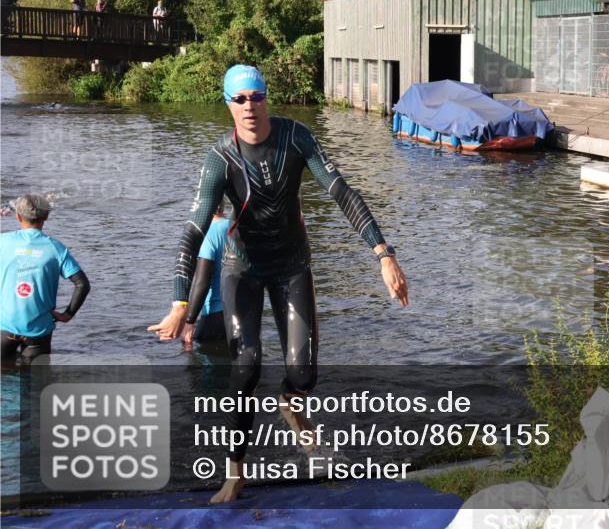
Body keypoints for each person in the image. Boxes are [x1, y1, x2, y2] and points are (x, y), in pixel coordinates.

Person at [148, 64, 408, 503]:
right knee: (246, 367)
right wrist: (179, 304)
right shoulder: (220, 158)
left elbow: (341, 191)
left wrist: (384, 254)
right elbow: (193, 231)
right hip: (242, 270)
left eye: (257, 96)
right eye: (240, 99)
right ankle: (235, 472)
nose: (249, 106)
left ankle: (291, 403)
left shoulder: (295, 137)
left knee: (303, 375)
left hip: (291, 266)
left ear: (267, 98)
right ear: (229, 104)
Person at [1, 195, 90, 366]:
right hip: (39, 330)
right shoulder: (56, 248)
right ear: (46, 216)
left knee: (3, 375)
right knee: (36, 379)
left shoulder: (2, 242)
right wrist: (67, 315)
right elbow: (82, 284)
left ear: (18, 216)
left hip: (4, 327)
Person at [180, 202, 229, 348]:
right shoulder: (236, 226)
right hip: (242, 312)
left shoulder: (208, 235)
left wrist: (189, 322)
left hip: (215, 316)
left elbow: (202, 282)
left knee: (189, 350)